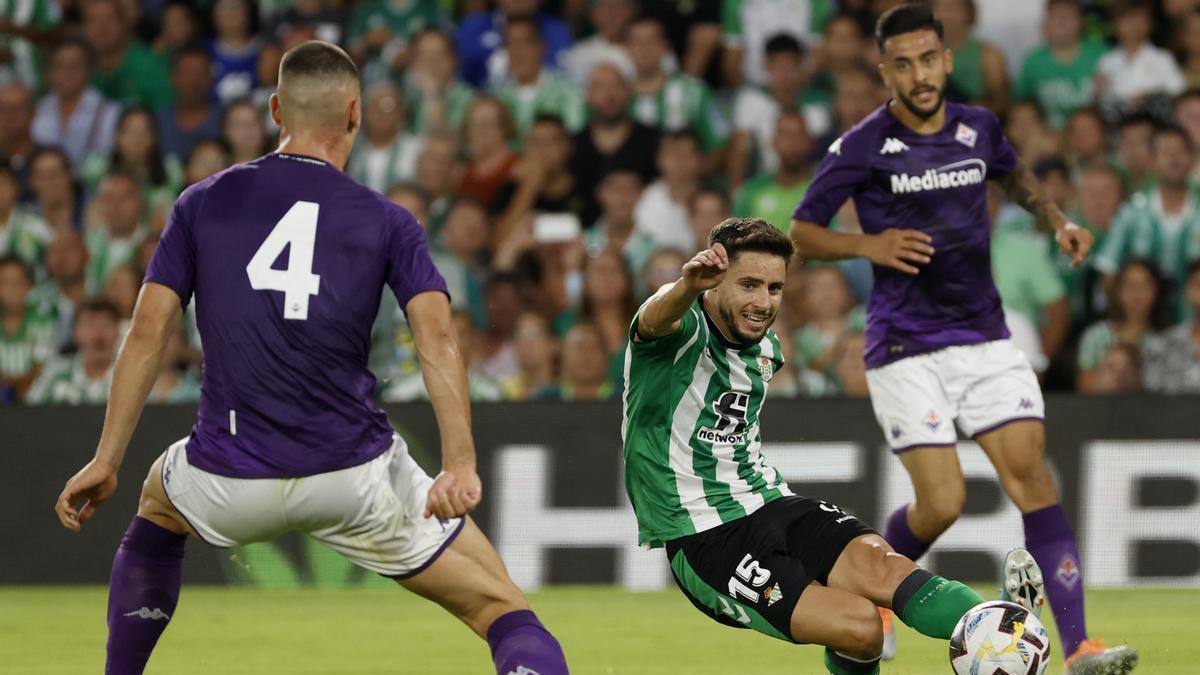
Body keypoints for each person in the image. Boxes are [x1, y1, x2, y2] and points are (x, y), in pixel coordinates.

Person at [52, 41, 568, 675]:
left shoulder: (201, 202)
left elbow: (148, 330)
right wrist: (458, 463)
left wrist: (105, 459)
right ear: (354, 114)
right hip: (353, 477)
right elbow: (438, 339)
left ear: (275, 109)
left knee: (157, 504)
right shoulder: (388, 220)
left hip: (226, 478)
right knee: (503, 611)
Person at [788, 6, 1136, 673]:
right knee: (943, 501)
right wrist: (870, 244)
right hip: (904, 345)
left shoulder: (980, 127)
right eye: (904, 63)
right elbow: (804, 229)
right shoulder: (864, 144)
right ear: (885, 69)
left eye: (929, 58)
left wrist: (1058, 219)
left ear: (948, 59)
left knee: (1033, 475)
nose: (919, 74)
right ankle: (874, 598)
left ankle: (1081, 647)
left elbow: (1013, 171)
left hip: (984, 337)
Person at [622, 218, 1020, 675]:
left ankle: (1004, 625)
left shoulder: (767, 347)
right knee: (862, 628)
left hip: (772, 502)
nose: (762, 302)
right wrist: (687, 285)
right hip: (705, 537)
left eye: (774, 288)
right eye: (748, 284)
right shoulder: (678, 329)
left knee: (884, 568)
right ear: (715, 280)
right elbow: (655, 319)